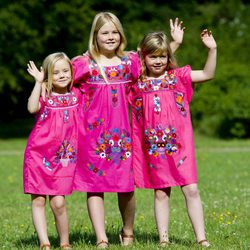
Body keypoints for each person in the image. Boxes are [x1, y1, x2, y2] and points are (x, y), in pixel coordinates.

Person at [72, 12, 184, 248]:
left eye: (114, 32)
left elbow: (158, 59)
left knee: (126, 187)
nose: (110, 37)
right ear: (95, 36)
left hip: (124, 135)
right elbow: (59, 79)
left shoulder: (131, 61)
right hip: (92, 137)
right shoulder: (83, 64)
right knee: (94, 188)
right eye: (105, 32)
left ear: (120, 34)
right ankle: (101, 237)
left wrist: (175, 43)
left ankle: (128, 232)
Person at [130, 30, 217, 247]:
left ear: (169, 57)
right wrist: (174, 42)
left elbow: (207, 74)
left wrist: (212, 49)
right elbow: (128, 62)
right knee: (161, 193)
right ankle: (163, 239)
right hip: (155, 149)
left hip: (180, 147)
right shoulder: (137, 83)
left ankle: (201, 238)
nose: (158, 61)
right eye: (153, 56)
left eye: (163, 56)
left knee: (191, 189)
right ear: (144, 57)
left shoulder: (177, 77)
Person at [23, 52, 80, 250]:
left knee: (58, 203)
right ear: (48, 76)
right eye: (56, 73)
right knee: (38, 200)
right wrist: (38, 83)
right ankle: (44, 243)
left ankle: (65, 242)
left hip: (63, 158)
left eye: (66, 71)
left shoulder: (76, 95)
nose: (62, 75)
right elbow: (31, 108)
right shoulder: (45, 97)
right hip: (38, 156)